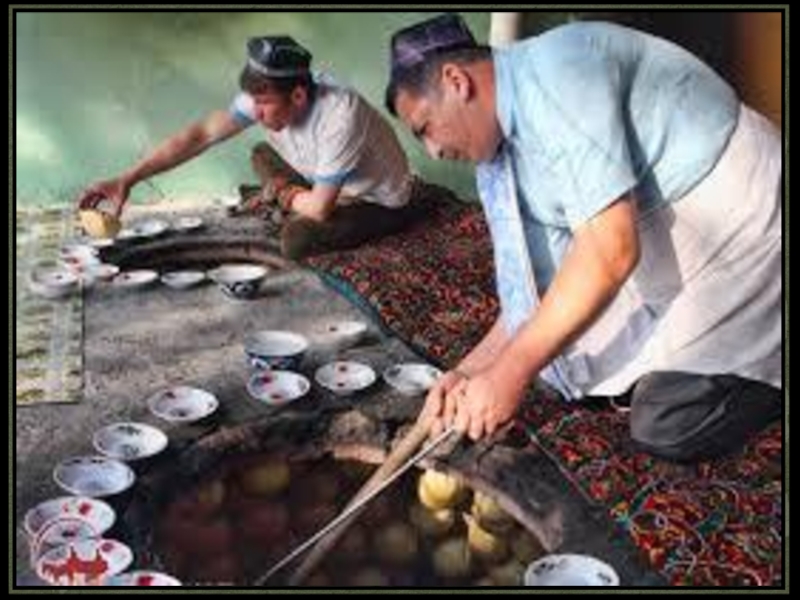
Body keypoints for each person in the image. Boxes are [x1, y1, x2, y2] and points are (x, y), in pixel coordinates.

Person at [385, 13, 783, 461]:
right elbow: (533, 293)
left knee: (669, 422)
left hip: (741, 224)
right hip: (654, 240)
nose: (433, 150)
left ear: (456, 81)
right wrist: (470, 371)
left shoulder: (562, 68)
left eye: (425, 127)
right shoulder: (501, 153)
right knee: (567, 363)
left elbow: (611, 252)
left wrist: (510, 371)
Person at [79, 35, 438, 260]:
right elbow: (200, 135)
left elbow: (318, 209)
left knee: (296, 239)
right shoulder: (264, 96)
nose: (256, 112)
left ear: (298, 96)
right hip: (320, 180)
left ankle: (277, 195)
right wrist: (129, 178)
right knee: (261, 154)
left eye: (264, 105)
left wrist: (281, 192)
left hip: (375, 200)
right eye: (254, 103)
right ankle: (282, 193)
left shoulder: (340, 114)